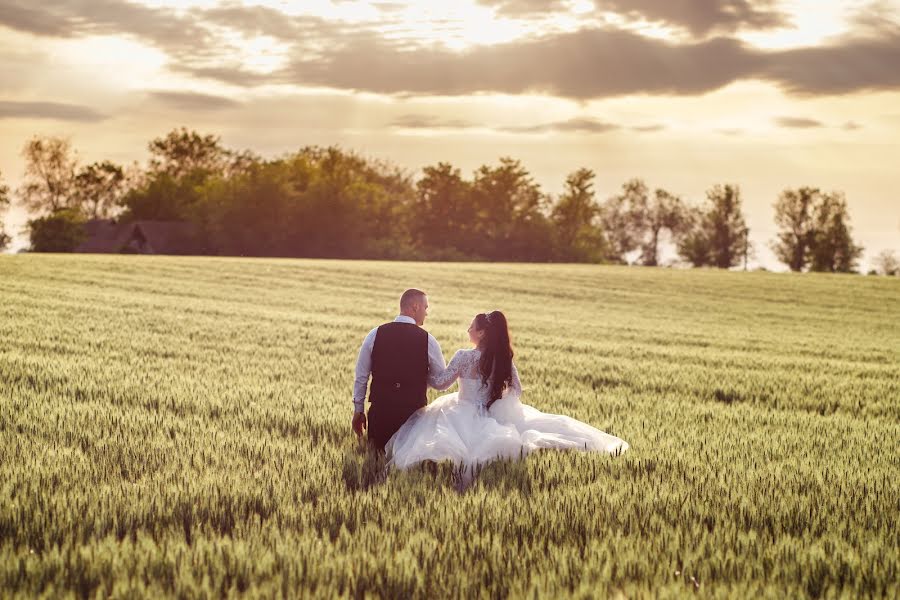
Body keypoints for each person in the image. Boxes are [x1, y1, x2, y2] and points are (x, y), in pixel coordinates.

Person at [385, 310, 628, 470]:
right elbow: (517, 390)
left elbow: (440, 384)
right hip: (492, 412)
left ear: (480, 333)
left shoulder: (463, 356)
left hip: (461, 409)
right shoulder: (503, 360)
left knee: (444, 443)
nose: (468, 330)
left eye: (471, 327)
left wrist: (422, 370)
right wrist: (496, 403)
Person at [352, 289, 447, 451]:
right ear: (415, 307)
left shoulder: (374, 334)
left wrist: (358, 410)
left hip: (381, 413)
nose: (427, 313)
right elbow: (440, 381)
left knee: (376, 464)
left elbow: (361, 376)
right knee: (409, 468)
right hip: (414, 416)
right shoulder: (428, 340)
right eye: (425, 307)